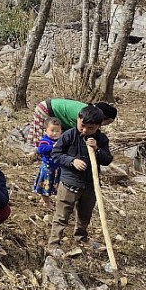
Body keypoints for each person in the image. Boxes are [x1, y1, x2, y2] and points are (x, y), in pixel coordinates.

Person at [46, 105, 113, 256]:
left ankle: (81, 237)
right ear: (78, 119)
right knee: (62, 215)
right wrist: (71, 161)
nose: (84, 130)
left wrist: (97, 150)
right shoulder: (69, 135)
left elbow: (107, 159)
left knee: (85, 214)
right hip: (69, 183)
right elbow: (56, 154)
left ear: (98, 126)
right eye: (82, 126)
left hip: (90, 185)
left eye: (90, 128)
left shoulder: (101, 139)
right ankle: (53, 243)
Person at [26, 99, 117, 148]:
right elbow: (76, 132)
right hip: (46, 109)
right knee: (48, 136)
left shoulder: (88, 111)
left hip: (51, 108)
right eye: (107, 123)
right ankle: (41, 152)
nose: (105, 125)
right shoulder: (85, 114)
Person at [33, 117, 64, 209]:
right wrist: (53, 147)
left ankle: (52, 199)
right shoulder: (45, 141)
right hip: (48, 168)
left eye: (57, 131)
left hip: (58, 169)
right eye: (52, 130)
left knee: (56, 185)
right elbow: (41, 150)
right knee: (44, 186)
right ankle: (46, 202)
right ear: (45, 130)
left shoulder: (61, 141)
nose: (55, 133)